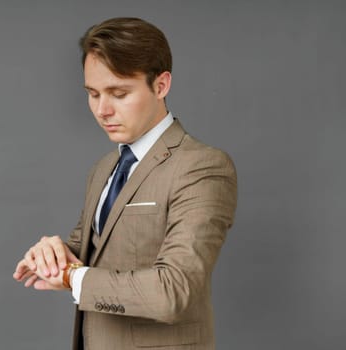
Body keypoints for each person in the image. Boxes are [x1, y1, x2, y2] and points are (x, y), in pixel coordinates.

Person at [13, 17, 237, 350]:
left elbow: (173, 291)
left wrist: (72, 277)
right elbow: (90, 253)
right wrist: (54, 255)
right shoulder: (103, 169)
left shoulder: (202, 167)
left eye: (119, 93)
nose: (102, 110)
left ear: (161, 86)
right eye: (92, 94)